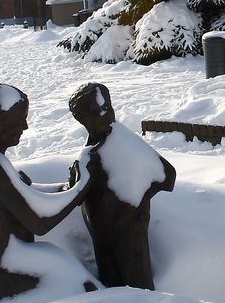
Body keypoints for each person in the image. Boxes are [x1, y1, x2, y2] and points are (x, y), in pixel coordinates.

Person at [0, 83, 94, 303]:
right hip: (0, 266)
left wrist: (66, 189)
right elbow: (39, 221)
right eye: (18, 120)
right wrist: (81, 188)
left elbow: (26, 198)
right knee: (84, 285)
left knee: (71, 270)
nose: (25, 126)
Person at [68, 82, 176, 290]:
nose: (105, 114)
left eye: (107, 107)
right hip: (101, 233)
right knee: (111, 282)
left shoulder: (124, 141)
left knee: (138, 283)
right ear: (82, 119)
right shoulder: (89, 153)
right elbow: (77, 196)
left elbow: (167, 176)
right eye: (96, 111)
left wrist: (135, 202)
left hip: (129, 232)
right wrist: (78, 175)